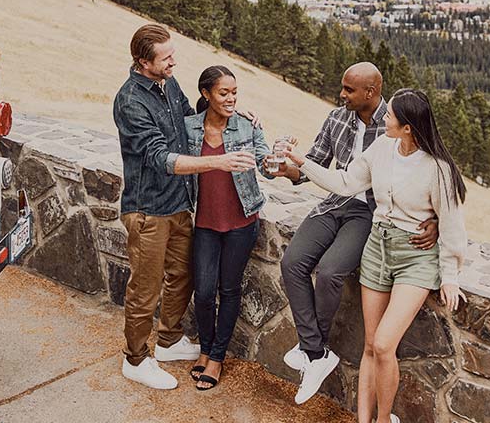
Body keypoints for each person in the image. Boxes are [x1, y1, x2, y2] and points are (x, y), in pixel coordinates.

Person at [284, 88, 467, 423]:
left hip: (415, 256)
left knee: (384, 345)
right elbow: (344, 182)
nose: (384, 117)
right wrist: (302, 162)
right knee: (370, 346)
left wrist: (451, 274)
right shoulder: (382, 146)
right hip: (377, 250)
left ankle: (384, 419)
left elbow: (452, 222)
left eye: (390, 115)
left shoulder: (437, 168)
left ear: (408, 126)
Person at [113, 24, 256, 390]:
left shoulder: (168, 82)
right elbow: (160, 157)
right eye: (167, 57)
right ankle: (136, 359)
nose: (175, 61)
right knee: (145, 289)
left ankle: (169, 340)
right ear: (145, 62)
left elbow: (191, 117)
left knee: (184, 277)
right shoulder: (130, 101)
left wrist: (236, 115)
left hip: (179, 204)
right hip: (148, 210)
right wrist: (218, 161)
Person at [184, 66, 287, 391]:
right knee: (202, 291)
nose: (230, 98)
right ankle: (204, 348)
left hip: (242, 222)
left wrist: (276, 161)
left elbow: (266, 169)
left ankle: (216, 356)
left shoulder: (246, 125)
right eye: (223, 93)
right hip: (204, 224)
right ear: (206, 94)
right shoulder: (188, 128)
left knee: (229, 290)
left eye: (234, 93)